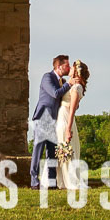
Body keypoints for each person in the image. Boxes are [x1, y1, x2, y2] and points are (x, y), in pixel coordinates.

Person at [29, 55, 70, 188]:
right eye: (66, 65)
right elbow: (55, 93)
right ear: (59, 66)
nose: (68, 68)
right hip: (42, 118)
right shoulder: (47, 77)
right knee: (38, 151)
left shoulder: (62, 81)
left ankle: (52, 183)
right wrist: (69, 84)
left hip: (54, 121)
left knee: (52, 152)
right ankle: (34, 181)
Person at [56, 59, 89, 183]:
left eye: (72, 67)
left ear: (75, 71)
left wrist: (68, 129)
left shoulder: (76, 87)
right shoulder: (72, 85)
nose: (69, 68)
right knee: (62, 149)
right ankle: (63, 181)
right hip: (62, 116)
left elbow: (72, 110)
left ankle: (70, 181)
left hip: (65, 118)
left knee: (66, 149)